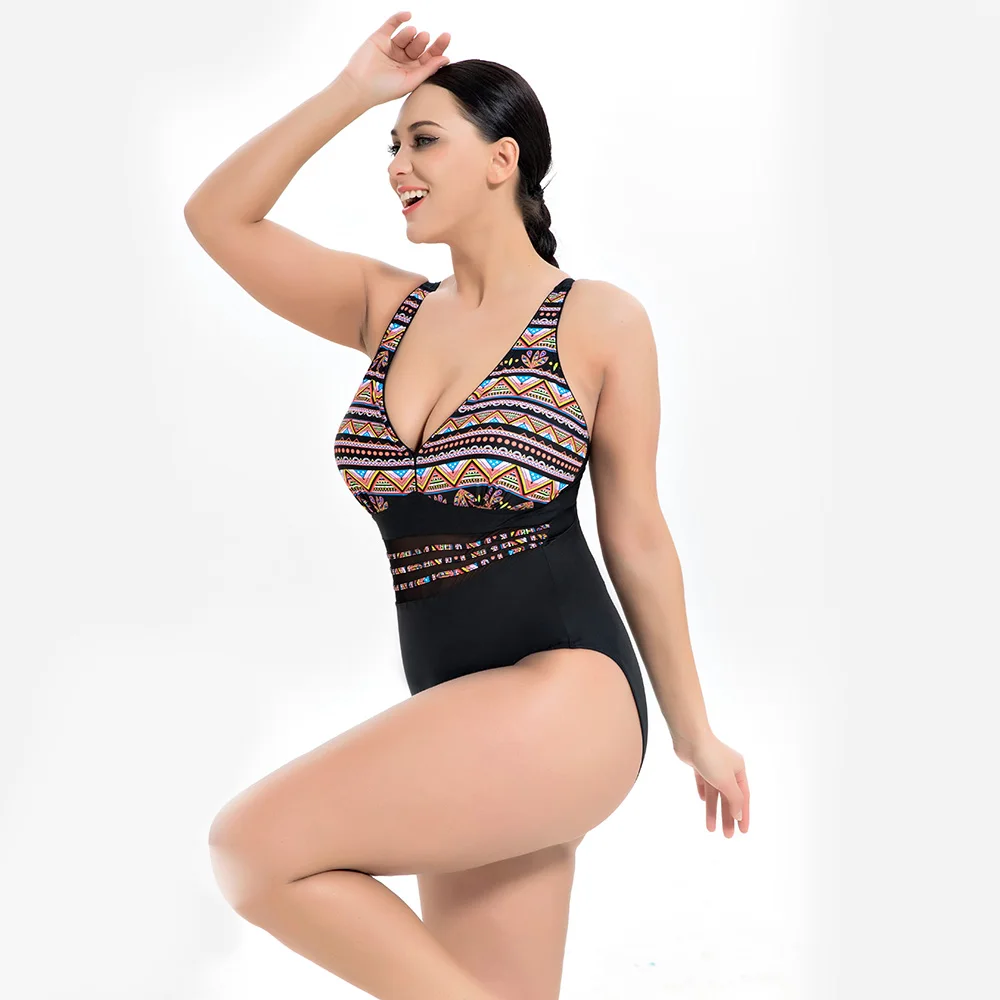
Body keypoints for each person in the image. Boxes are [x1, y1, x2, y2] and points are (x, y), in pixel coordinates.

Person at [185, 11, 749, 1000]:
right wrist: (351, 92)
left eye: (423, 141)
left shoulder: (596, 318)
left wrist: (693, 728)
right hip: (453, 711)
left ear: (502, 159)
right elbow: (218, 218)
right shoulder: (387, 309)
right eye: (391, 147)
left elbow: (636, 534)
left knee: (252, 848)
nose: (397, 167)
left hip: (571, 697)